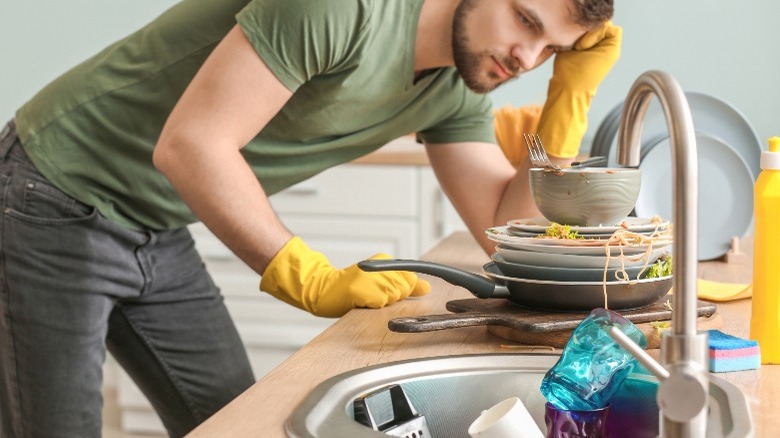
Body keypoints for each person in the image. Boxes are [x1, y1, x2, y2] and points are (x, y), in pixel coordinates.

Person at [0, 0, 620, 436]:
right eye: (525, 21)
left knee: (236, 420)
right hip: (51, 189)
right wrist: (308, 276)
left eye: (553, 50)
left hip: (154, 221)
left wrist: (568, 97)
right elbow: (190, 145)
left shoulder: (455, 83)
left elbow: (499, 227)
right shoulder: (341, 5)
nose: (527, 56)